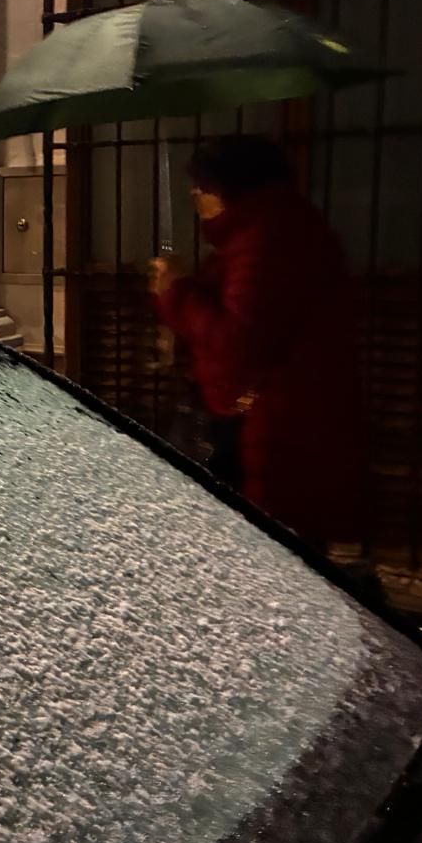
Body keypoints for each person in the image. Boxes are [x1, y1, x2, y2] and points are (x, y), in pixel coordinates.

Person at [151, 134, 363, 549]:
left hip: (272, 434)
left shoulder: (265, 241)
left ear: (232, 187)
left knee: (270, 556)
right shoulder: (273, 232)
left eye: (203, 184)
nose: (195, 195)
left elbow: (236, 339)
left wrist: (175, 292)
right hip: (281, 424)